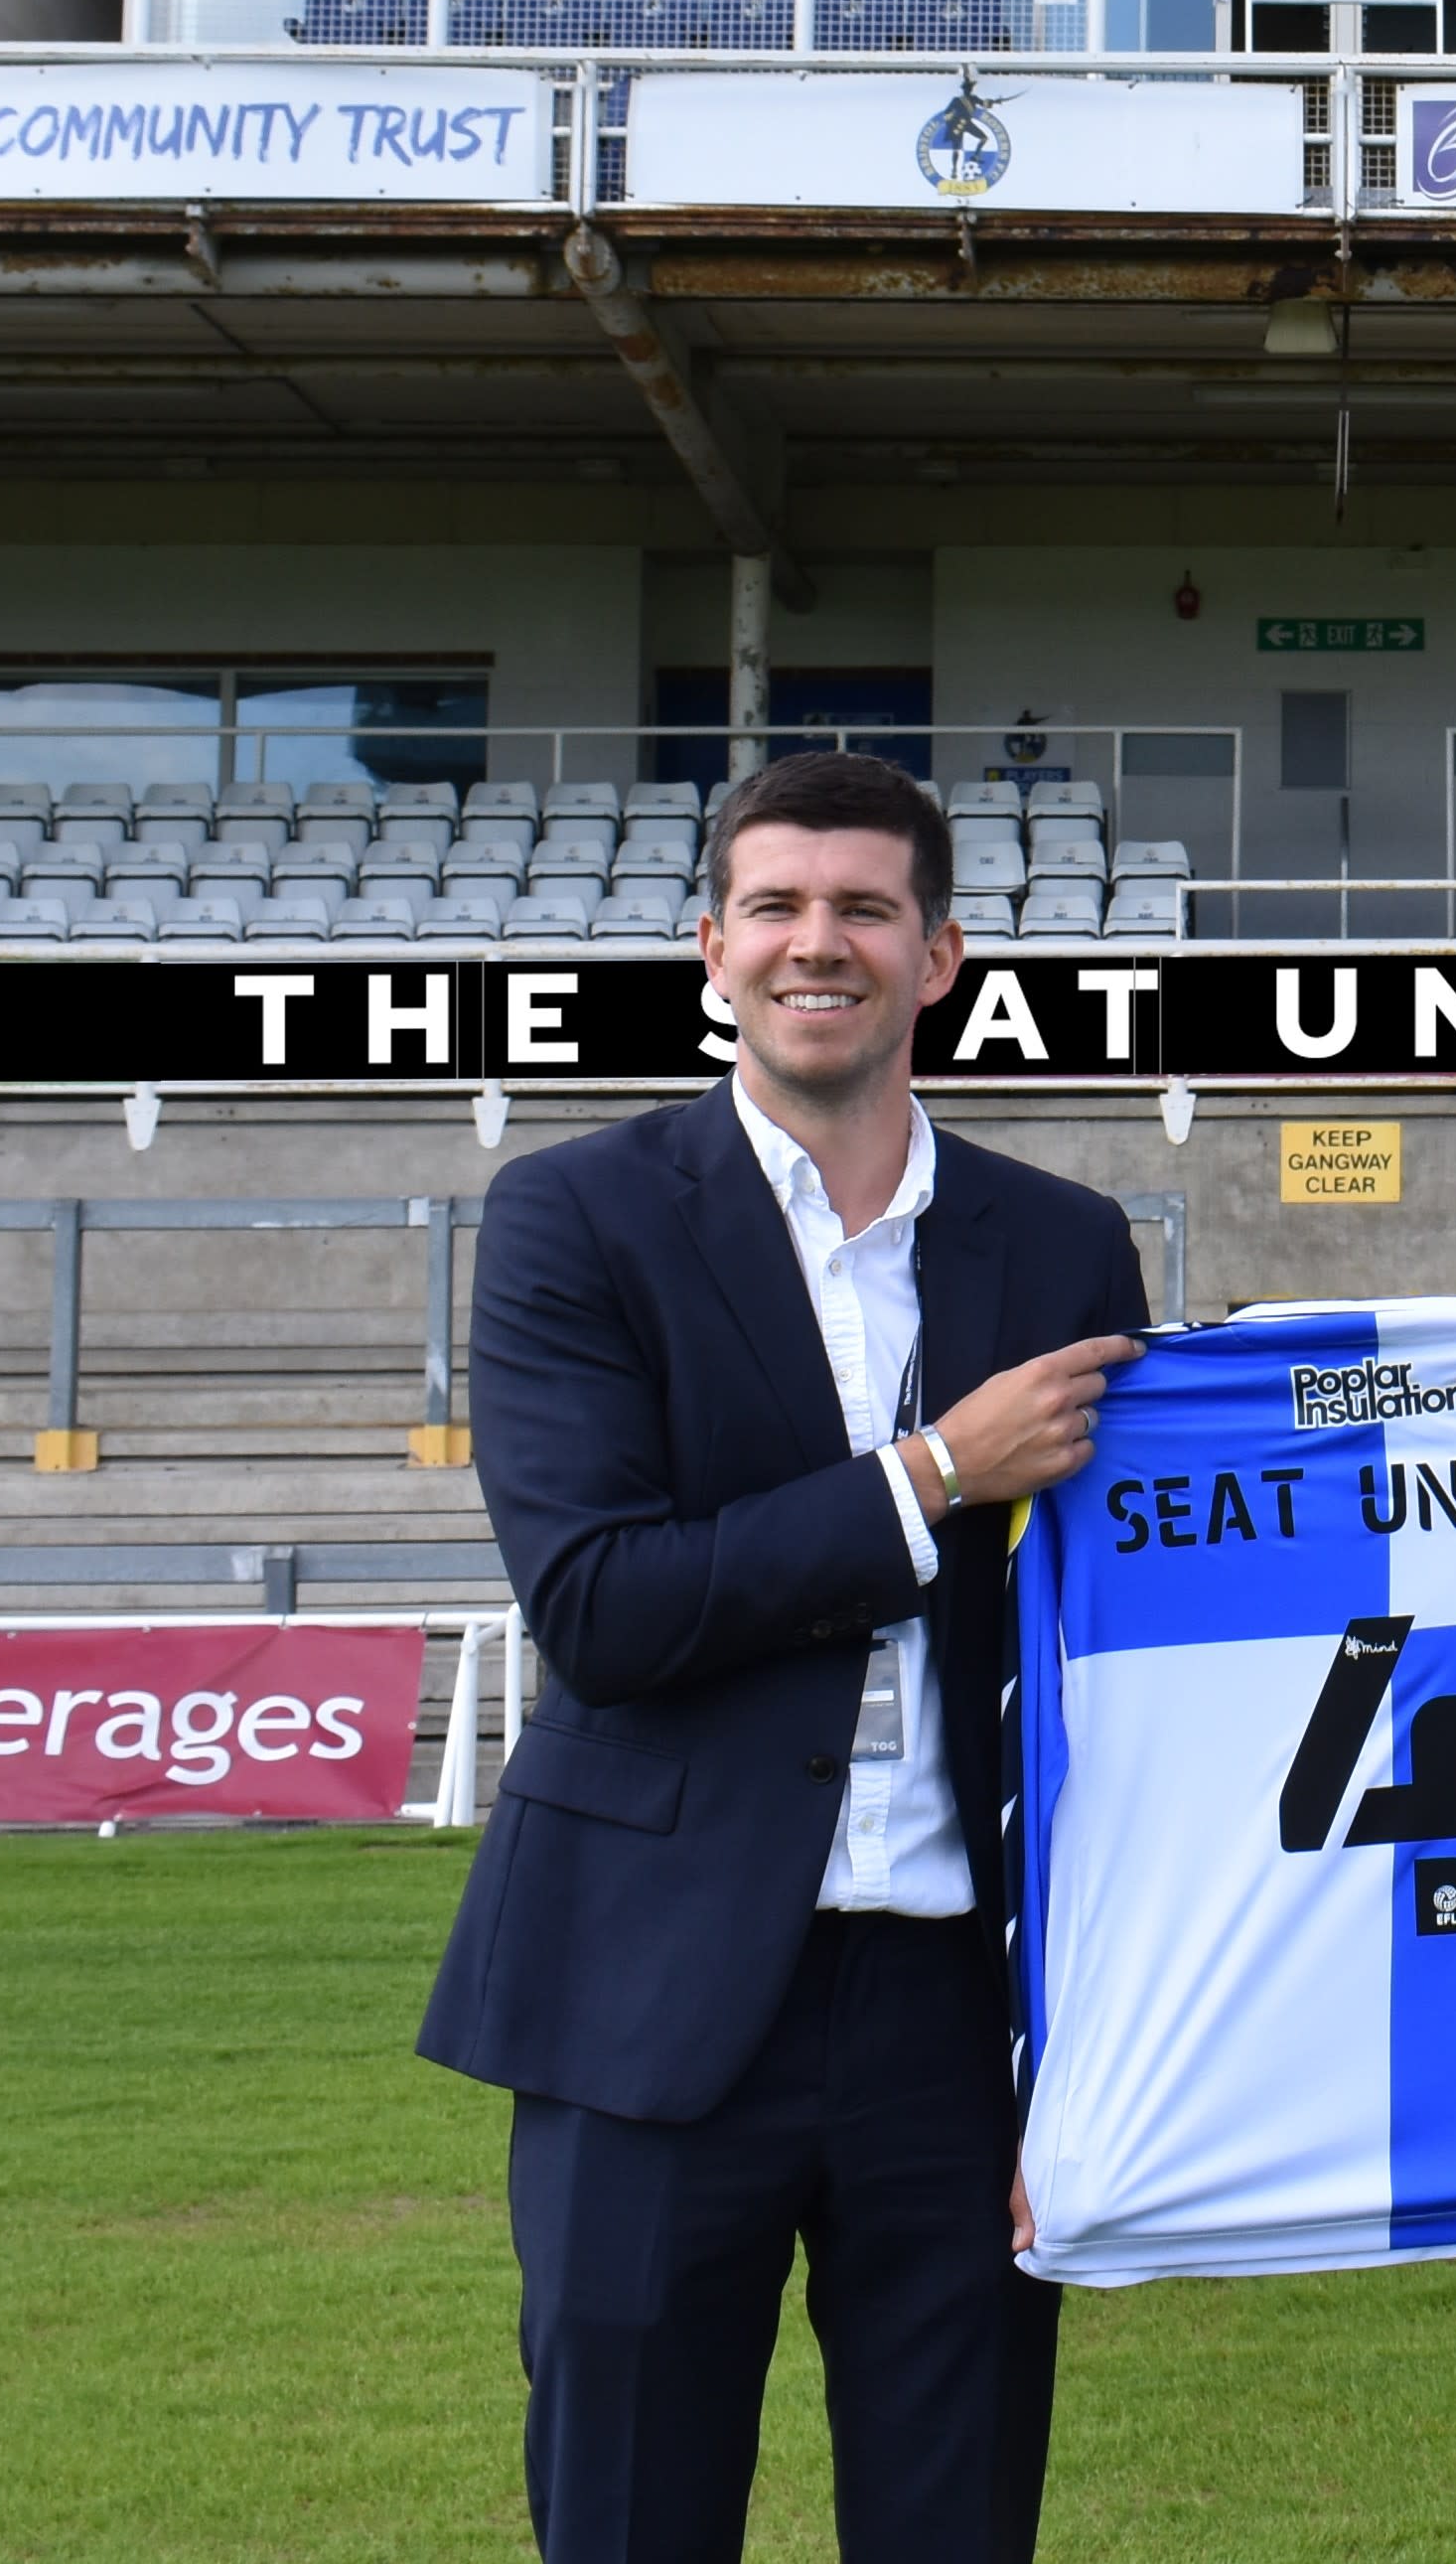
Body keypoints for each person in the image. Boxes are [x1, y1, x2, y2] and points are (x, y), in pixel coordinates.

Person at [420, 747, 1147, 2564]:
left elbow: (1118, 1654)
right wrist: (927, 1478)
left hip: (954, 2017)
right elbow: (600, 1603)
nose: (816, 943)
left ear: (942, 956)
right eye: (776, 907)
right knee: (632, 2521)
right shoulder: (572, 1217)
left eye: (862, 910)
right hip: (647, 2002)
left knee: (956, 2520)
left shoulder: (1060, 1245)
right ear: (710, 948)